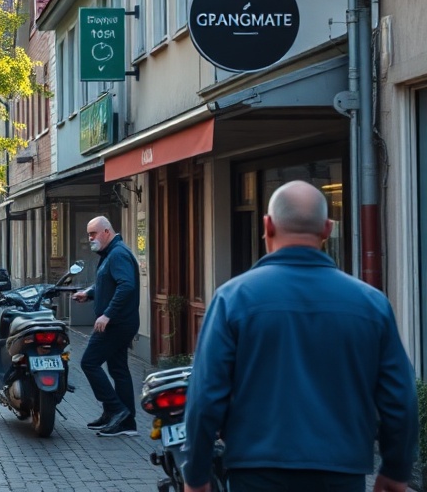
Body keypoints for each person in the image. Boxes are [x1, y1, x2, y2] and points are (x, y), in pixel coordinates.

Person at [181, 181, 417, 492]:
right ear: (327, 229)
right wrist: (396, 469)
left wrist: (196, 474)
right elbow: (400, 397)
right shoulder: (371, 305)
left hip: (256, 471)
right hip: (341, 473)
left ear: (268, 225)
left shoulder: (232, 299)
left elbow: (205, 395)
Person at [72, 215, 140, 438]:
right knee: (119, 370)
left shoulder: (118, 254)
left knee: (89, 362)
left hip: (116, 324)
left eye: (93, 234)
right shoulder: (112, 253)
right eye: (89, 234)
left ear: (107, 232)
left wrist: (107, 315)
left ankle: (115, 409)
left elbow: (126, 286)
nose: (90, 238)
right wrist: (89, 293)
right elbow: (107, 283)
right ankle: (126, 422)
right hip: (120, 323)